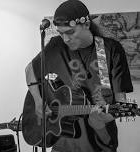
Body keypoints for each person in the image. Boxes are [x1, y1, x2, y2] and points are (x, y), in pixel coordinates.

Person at [25, 0, 133, 152]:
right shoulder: (56, 45)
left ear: (86, 24)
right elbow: (30, 69)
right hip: (62, 143)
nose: (66, 39)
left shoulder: (110, 49)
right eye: (61, 33)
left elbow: (120, 103)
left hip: (99, 144)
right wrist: (38, 101)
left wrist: (102, 120)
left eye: (70, 32)